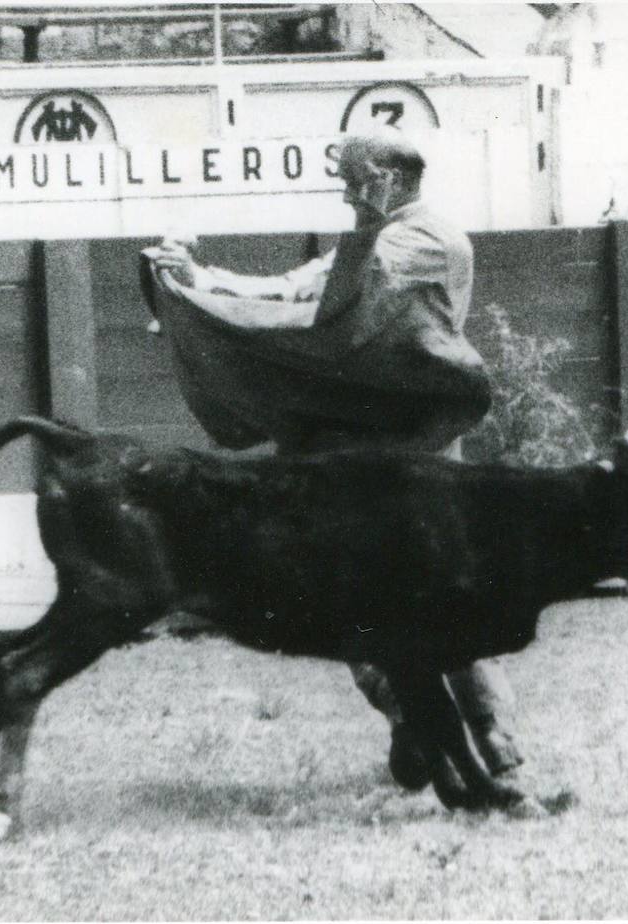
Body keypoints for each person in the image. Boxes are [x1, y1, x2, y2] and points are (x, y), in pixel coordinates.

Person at [142, 130, 524, 787]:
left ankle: (496, 751)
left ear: (390, 179)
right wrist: (197, 280)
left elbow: (316, 301)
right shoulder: (377, 242)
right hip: (359, 463)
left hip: (413, 465)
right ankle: (423, 731)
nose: (346, 192)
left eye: (355, 179)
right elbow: (299, 285)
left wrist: (207, 292)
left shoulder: (427, 241)